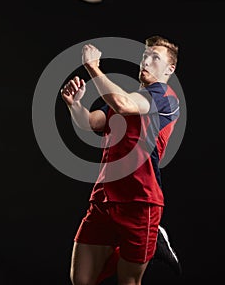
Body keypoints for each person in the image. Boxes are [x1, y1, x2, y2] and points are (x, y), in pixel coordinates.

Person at [61, 35, 181, 285]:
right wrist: (75, 104)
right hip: (105, 197)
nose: (146, 61)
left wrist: (93, 67)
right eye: (145, 56)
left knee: (128, 281)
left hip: (140, 201)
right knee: (81, 280)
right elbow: (91, 122)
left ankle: (150, 240)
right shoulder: (122, 98)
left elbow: (124, 104)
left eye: (155, 57)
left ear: (170, 69)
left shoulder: (165, 97)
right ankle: (149, 244)